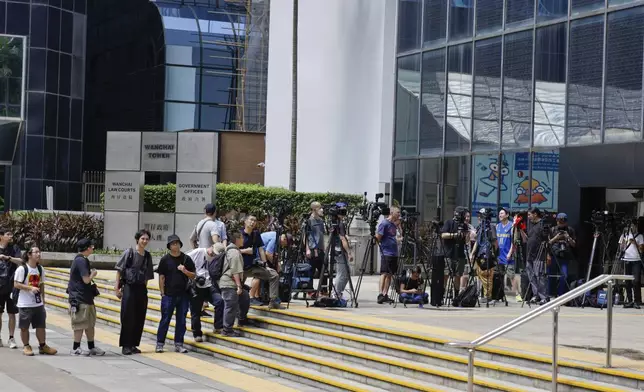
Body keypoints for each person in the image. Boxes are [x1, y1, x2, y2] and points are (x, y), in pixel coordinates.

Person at [114, 229, 155, 355]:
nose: (145, 241)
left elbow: (148, 275)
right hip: (129, 287)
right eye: (143, 238)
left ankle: (133, 344)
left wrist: (144, 289)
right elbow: (119, 270)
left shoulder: (147, 256)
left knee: (139, 316)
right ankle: (126, 345)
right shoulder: (129, 252)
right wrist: (117, 288)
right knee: (127, 316)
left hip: (141, 289)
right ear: (137, 239)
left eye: (147, 239)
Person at [13, 246, 56, 356]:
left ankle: (43, 346)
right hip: (25, 303)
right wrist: (30, 288)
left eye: (39, 252)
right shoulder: (22, 269)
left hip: (38, 303)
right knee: (24, 327)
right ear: (29, 254)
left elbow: (41, 285)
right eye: (36, 252)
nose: (38, 254)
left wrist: (43, 299)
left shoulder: (40, 269)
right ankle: (26, 346)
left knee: (41, 326)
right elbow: (16, 284)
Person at [156, 235, 195, 353]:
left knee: (181, 320)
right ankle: (160, 343)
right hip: (168, 294)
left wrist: (185, 271)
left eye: (177, 243)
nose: (175, 245)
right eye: (173, 243)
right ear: (169, 246)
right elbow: (161, 277)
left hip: (183, 294)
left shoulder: (186, 259)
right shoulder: (165, 260)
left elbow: (194, 275)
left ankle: (179, 343)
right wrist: (162, 293)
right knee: (165, 319)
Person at [68, 239, 105, 356]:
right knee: (80, 323)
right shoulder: (81, 261)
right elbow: (86, 280)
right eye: (91, 246)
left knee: (89, 323)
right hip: (80, 298)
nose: (93, 248)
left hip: (86, 297)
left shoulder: (81, 260)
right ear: (87, 248)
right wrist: (93, 274)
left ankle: (91, 346)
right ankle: (76, 347)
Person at [218, 233, 257, 337]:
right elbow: (235, 271)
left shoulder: (232, 250)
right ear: (237, 239)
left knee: (244, 297)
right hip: (229, 283)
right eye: (241, 237)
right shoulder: (234, 252)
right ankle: (227, 330)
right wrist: (239, 286)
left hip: (229, 282)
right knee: (230, 306)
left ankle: (242, 319)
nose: (243, 239)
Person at [240, 216, 280, 309]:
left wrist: (265, 263)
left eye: (255, 220)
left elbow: (261, 250)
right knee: (238, 288)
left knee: (274, 275)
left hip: (252, 266)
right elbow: (230, 249)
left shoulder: (256, 234)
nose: (253, 222)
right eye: (251, 220)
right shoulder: (239, 233)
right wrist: (245, 251)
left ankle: (273, 301)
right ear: (245, 221)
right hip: (239, 268)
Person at [186, 245, 224, 340]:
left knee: (219, 301)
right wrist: (192, 275)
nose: (212, 254)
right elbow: (184, 258)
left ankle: (218, 326)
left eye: (215, 254)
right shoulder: (198, 252)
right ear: (211, 247)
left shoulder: (215, 258)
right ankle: (197, 333)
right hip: (196, 285)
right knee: (195, 311)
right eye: (212, 252)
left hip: (209, 284)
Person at [469, 210, 498, 303]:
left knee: (487, 275)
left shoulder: (491, 227)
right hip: (479, 254)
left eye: (480, 216)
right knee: (480, 274)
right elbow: (477, 241)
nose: (478, 218)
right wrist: (472, 253)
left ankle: (487, 296)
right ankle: (482, 294)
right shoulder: (480, 227)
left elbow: (495, 242)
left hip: (488, 254)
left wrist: (495, 253)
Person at [0, 228, 22, 349]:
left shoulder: (14, 248)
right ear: (1, 236)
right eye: (8, 234)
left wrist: (8, 258)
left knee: (12, 313)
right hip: (0, 286)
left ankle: (11, 337)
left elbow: (21, 261)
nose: (11, 236)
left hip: (12, 286)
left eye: (11, 234)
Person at [441, 208, 470, 297]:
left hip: (460, 254)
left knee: (458, 275)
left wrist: (466, 234)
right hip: (449, 253)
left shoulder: (464, 225)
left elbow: (467, 241)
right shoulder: (449, 222)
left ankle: (456, 296)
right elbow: (443, 235)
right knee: (446, 274)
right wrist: (454, 235)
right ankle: (442, 294)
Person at [376, 206, 401, 304]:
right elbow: (378, 237)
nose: (399, 215)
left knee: (390, 274)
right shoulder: (384, 223)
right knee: (384, 273)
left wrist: (399, 226)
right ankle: (380, 294)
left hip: (394, 252)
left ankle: (386, 294)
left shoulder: (394, 225)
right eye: (397, 213)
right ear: (392, 213)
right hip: (386, 252)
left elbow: (397, 236)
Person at [548, 213, 576, 297]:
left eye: (563, 221)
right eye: (559, 221)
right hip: (554, 255)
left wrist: (568, 237)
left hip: (565, 256)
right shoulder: (552, 229)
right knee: (551, 276)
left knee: (564, 275)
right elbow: (548, 243)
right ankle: (551, 293)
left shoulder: (570, 230)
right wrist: (556, 238)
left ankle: (561, 294)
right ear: (556, 221)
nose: (560, 223)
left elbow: (574, 244)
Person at [525, 208, 548, 305]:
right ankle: (535, 295)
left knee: (540, 276)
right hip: (529, 254)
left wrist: (548, 254)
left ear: (535, 214)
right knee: (532, 276)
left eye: (530, 214)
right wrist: (520, 229)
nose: (528, 216)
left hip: (539, 254)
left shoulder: (542, 224)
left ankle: (543, 297)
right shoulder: (530, 224)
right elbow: (527, 238)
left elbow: (547, 239)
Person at [619, 218, 644, 309]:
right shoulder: (624, 235)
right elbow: (621, 248)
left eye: (634, 225)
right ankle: (629, 301)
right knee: (627, 281)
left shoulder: (640, 236)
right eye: (631, 226)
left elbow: (641, 249)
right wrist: (624, 243)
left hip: (636, 260)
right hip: (626, 259)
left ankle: (637, 301)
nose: (632, 227)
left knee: (636, 281)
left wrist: (635, 243)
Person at [496, 208, 520, 297]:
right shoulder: (497, 226)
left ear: (507, 215)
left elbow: (514, 242)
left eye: (502, 213)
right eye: (499, 214)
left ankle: (517, 295)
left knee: (511, 275)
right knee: (499, 275)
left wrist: (510, 253)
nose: (500, 215)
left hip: (508, 255)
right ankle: (500, 295)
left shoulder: (512, 226)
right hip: (499, 255)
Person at [305, 202, 327, 294]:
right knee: (311, 271)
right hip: (312, 249)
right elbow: (305, 236)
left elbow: (322, 235)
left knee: (324, 270)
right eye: (319, 208)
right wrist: (307, 249)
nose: (321, 210)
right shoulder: (309, 221)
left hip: (321, 249)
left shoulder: (321, 221)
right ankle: (310, 291)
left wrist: (324, 247)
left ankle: (323, 290)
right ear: (314, 209)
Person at [331, 208, 353, 299]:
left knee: (345, 272)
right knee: (342, 273)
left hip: (335, 250)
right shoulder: (340, 224)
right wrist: (349, 252)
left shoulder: (333, 223)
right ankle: (336, 293)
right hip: (340, 251)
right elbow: (342, 239)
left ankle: (337, 292)